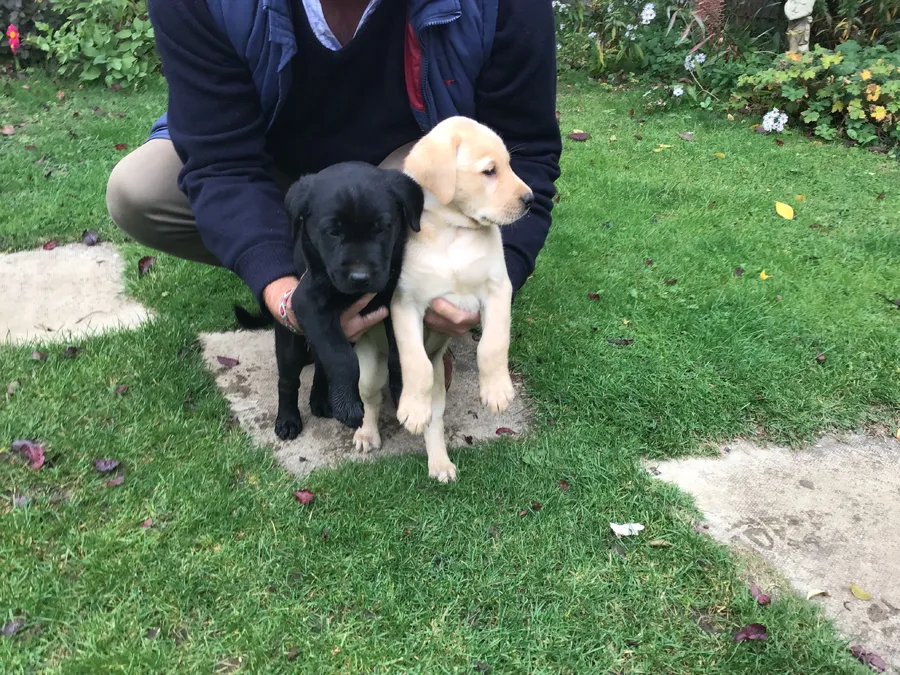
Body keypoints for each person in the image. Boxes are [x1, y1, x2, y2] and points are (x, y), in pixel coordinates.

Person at [106, 0, 561, 344]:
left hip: (404, 173)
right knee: (140, 190)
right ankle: (326, 285)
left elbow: (526, 153)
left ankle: (409, 298)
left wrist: (497, 279)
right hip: (273, 164)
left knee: (413, 183)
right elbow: (222, 162)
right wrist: (288, 299)